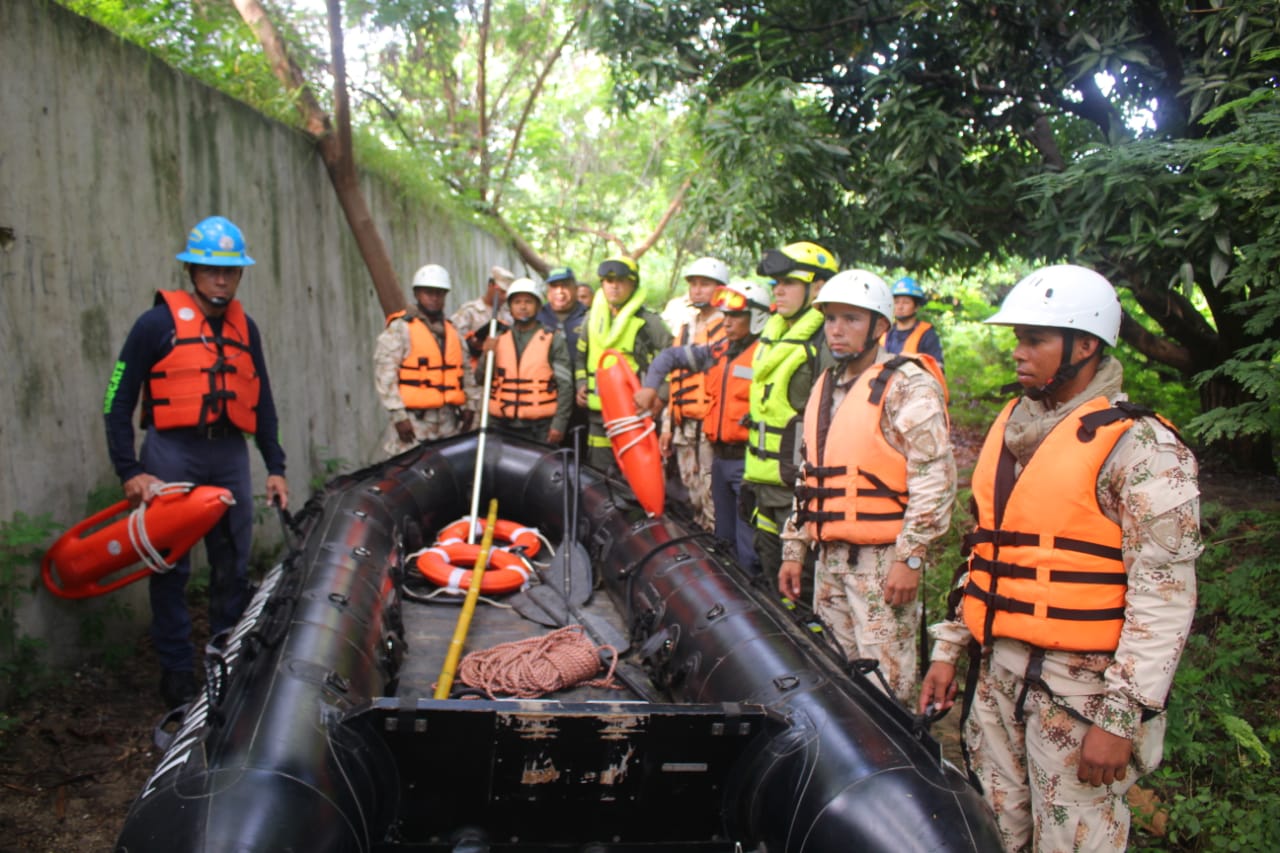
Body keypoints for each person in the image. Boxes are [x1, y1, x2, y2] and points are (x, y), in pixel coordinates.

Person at [917, 265, 1200, 853]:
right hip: (996, 678)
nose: (1017, 353)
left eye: (1034, 340)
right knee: (996, 833)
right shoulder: (1014, 430)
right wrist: (950, 648)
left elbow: (1164, 596)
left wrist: (1120, 718)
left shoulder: (1140, 447)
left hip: (1080, 694)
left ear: (1085, 345)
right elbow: (985, 553)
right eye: (1017, 338)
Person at [102, 215, 289, 709]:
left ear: (240, 274)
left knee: (232, 563)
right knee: (170, 567)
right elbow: (117, 400)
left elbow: (263, 401)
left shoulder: (245, 328)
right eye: (211, 270)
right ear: (192, 271)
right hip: (171, 452)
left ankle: (226, 658)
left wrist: (275, 465)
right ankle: (177, 674)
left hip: (228, 451)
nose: (221, 279)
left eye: (230, 270)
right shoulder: (155, 325)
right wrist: (129, 469)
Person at [777, 270, 955, 704]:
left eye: (851, 319)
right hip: (830, 558)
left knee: (884, 686)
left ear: (879, 327)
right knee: (833, 676)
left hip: (882, 563)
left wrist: (910, 558)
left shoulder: (907, 384)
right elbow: (810, 475)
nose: (836, 329)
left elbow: (934, 478)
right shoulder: (825, 384)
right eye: (831, 319)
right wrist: (794, 548)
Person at [635, 279, 771, 575]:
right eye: (726, 315)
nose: (728, 321)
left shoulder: (768, 355)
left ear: (757, 317)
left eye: (736, 316)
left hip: (749, 462)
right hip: (719, 459)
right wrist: (650, 387)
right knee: (722, 538)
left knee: (748, 545)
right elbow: (670, 357)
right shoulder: (719, 351)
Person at [742, 240, 838, 598]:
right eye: (775, 283)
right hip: (764, 482)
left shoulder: (825, 342)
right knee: (771, 575)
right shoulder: (775, 332)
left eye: (789, 282)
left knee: (802, 587)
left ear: (817, 287)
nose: (778, 291)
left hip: (798, 491)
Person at [574, 256, 672, 473]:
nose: (614, 286)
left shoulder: (649, 323)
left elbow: (671, 360)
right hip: (599, 416)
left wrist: (661, 395)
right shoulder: (590, 320)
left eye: (620, 281)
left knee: (634, 477)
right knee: (598, 476)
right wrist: (581, 382)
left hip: (634, 416)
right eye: (608, 281)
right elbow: (581, 357)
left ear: (633, 284)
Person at [375, 263, 473, 457]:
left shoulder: (452, 331)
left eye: (439, 293)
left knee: (447, 473)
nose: (434, 298)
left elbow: (466, 372)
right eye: (428, 293)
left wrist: (470, 407)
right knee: (407, 473)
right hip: (413, 422)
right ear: (417, 294)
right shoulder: (401, 328)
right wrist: (398, 416)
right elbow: (385, 375)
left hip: (447, 421)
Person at [661, 257, 729, 531]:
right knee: (691, 491)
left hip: (709, 425)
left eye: (705, 284)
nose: (698, 290)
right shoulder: (686, 328)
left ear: (720, 288)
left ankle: (716, 547)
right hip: (683, 423)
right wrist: (667, 424)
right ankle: (699, 537)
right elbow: (674, 378)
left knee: (711, 492)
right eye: (694, 285)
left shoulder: (727, 327)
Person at [481, 277, 573, 445]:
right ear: (510, 308)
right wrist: (486, 355)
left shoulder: (553, 339)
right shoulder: (498, 338)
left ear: (538, 306)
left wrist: (559, 424)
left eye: (528, 302)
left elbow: (565, 386)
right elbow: (480, 378)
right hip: (501, 423)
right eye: (517, 302)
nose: (523, 307)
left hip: (539, 427)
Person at [451, 264, 516, 419]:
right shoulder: (469, 311)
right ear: (490, 286)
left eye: (507, 293)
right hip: (473, 383)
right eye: (500, 291)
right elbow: (453, 343)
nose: (503, 297)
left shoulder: (509, 316)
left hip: (500, 385)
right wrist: (473, 343)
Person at [537, 266, 589, 450]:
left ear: (575, 288)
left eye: (565, 286)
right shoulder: (537, 317)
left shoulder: (590, 317)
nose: (560, 292)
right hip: (544, 403)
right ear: (547, 292)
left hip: (581, 403)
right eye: (554, 287)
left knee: (579, 456)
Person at [881, 276, 945, 369]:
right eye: (896, 302)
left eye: (906, 302)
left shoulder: (927, 334)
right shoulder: (884, 332)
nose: (900, 307)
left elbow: (936, 367)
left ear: (916, 307)